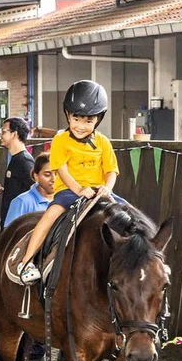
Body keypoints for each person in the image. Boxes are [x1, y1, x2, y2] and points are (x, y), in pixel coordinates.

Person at [17, 80, 119, 285]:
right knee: (50, 215)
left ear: (98, 120)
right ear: (67, 115)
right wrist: (80, 189)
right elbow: (62, 171)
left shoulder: (103, 142)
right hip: (69, 191)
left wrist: (107, 189)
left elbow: (111, 171)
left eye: (88, 121)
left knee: (129, 215)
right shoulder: (60, 140)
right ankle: (26, 261)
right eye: (76, 119)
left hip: (99, 191)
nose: (81, 126)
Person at [4, 153, 60, 361]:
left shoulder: (67, 202)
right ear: (35, 176)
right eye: (47, 174)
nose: (53, 179)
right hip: (28, 279)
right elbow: (9, 241)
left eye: (57, 173)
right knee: (35, 341)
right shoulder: (23, 202)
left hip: (55, 278)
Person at [0, 116, 35, 229]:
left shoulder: (25, 161)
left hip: (19, 224)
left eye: (4, 131)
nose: (1, 135)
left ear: (15, 134)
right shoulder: (15, 159)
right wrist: (3, 190)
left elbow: (34, 190)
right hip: (11, 222)